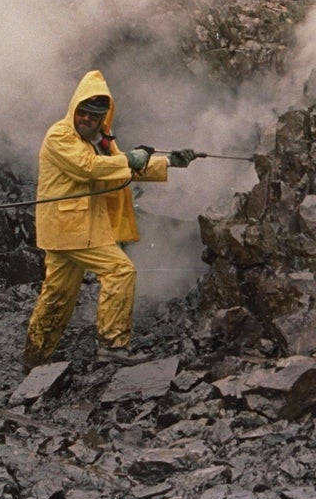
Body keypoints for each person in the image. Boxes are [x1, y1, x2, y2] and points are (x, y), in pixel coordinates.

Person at [23, 70, 197, 369]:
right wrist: (131, 158)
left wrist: (169, 161)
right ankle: (113, 346)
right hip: (72, 230)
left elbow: (120, 167)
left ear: (104, 117)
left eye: (94, 116)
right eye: (83, 113)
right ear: (74, 109)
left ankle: (35, 359)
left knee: (57, 297)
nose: (86, 120)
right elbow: (90, 168)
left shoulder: (99, 141)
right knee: (120, 271)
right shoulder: (60, 136)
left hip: (72, 230)